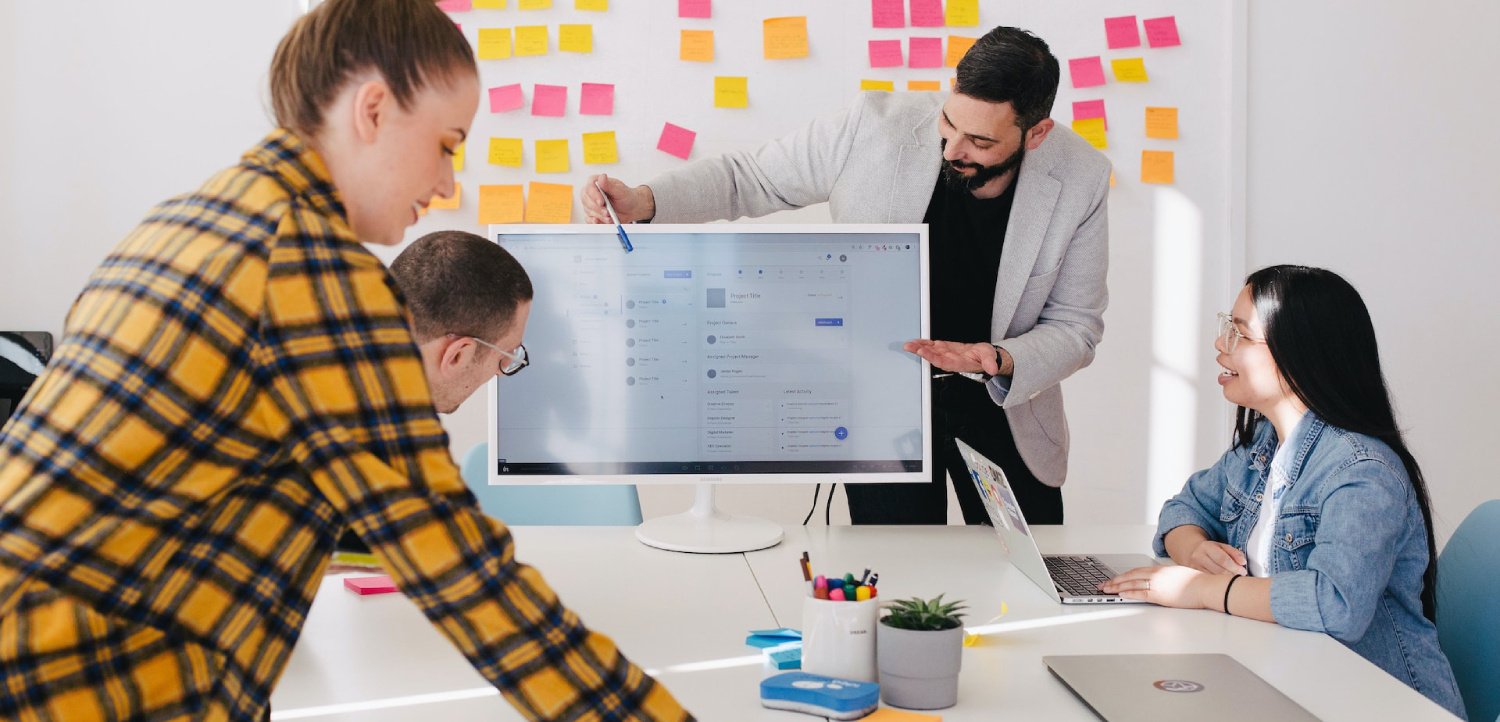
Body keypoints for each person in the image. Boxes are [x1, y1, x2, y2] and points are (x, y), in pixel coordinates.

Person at [0, 1, 689, 719]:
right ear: (374, 111)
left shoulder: (183, 219)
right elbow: (467, 579)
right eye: (448, 144)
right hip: (74, 686)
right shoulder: (309, 272)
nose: (449, 183)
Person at [582, 26, 1109, 526]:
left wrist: (999, 359)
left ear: (1035, 133)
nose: (951, 149)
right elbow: (750, 177)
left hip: (1003, 403)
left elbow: (1076, 325)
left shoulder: (1081, 176)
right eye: (948, 124)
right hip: (880, 406)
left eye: (980, 142)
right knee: (900, 587)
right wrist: (646, 201)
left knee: (1030, 582)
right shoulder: (872, 123)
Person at [1100, 265, 1466, 719]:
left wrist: (1202, 589)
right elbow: (1184, 507)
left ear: (1299, 354)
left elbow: (1335, 604)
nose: (1220, 344)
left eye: (1238, 333)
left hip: (1380, 704)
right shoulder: (1263, 448)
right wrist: (1194, 549)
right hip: (1294, 683)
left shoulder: (1362, 471)